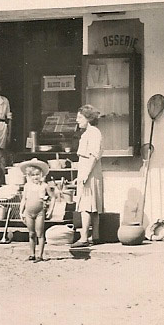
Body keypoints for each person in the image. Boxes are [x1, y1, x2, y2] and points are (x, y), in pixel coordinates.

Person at [73, 104, 104, 247]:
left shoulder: (94, 133)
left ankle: (84, 237)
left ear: (88, 118)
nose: (77, 120)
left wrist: (85, 174)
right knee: (92, 204)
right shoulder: (87, 133)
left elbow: (93, 155)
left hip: (90, 171)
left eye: (80, 117)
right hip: (87, 171)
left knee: (86, 205)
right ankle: (95, 235)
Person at [18, 159, 53, 262]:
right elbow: (24, 199)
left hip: (40, 213)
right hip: (28, 212)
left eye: (37, 174)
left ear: (41, 174)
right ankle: (32, 254)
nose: (35, 177)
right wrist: (21, 212)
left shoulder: (44, 186)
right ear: (29, 176)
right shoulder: (27, 186)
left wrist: (50, 210)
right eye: (33, 175)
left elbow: (53, 197)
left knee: (40, 234)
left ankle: (40, 255)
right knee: (31, 233)